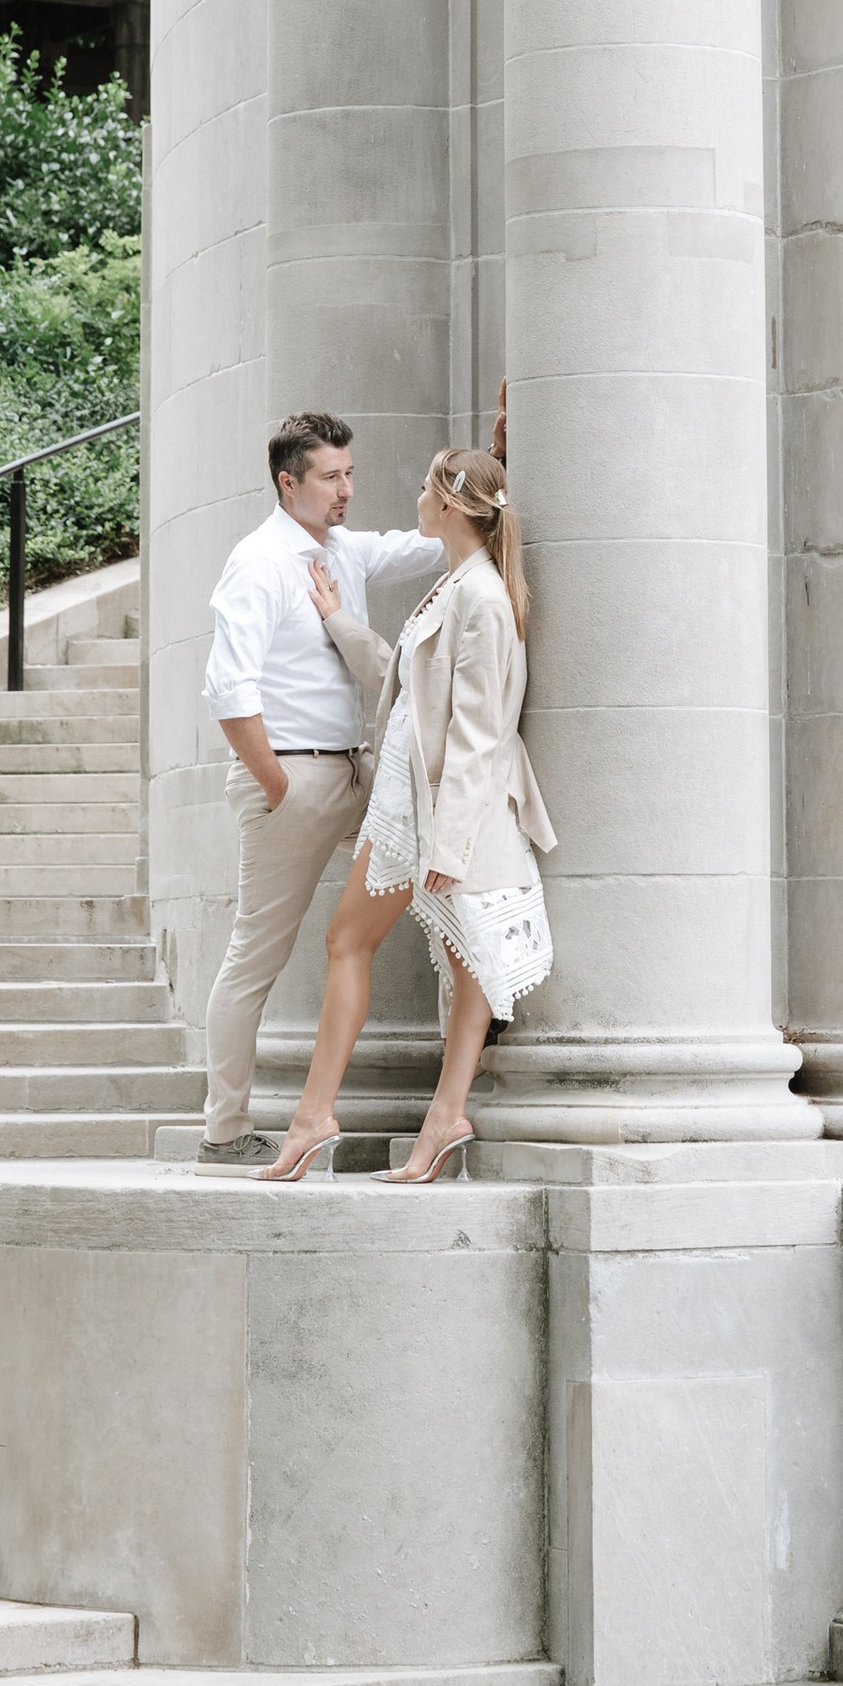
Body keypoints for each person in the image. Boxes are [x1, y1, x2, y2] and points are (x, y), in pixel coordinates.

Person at [192, 406, 484, 1166]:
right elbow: (228, 689)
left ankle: (464, 1066)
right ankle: (224, 1130)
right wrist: (276, 784)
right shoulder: (259, 562)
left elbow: (431, 543)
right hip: (293, 777)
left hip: (360, 771)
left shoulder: (345, 550)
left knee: (446, 898)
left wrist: (492, 461)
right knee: (258, 952)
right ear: (289, 483)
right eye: (330, 477)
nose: (346, 488)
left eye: (350, 473)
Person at [259, 445, 554, 1185]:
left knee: (369, 943)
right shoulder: (459, 585)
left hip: (435, 818)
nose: (414, 499)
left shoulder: (482, 595)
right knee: (456, 961)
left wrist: (449, 845)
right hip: (407, 808)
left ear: (449, 507)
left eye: (425, 488)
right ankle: (431, 1118)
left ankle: (324, 1119)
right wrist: (339, 623)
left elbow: (479, 733)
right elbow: (409, 680)